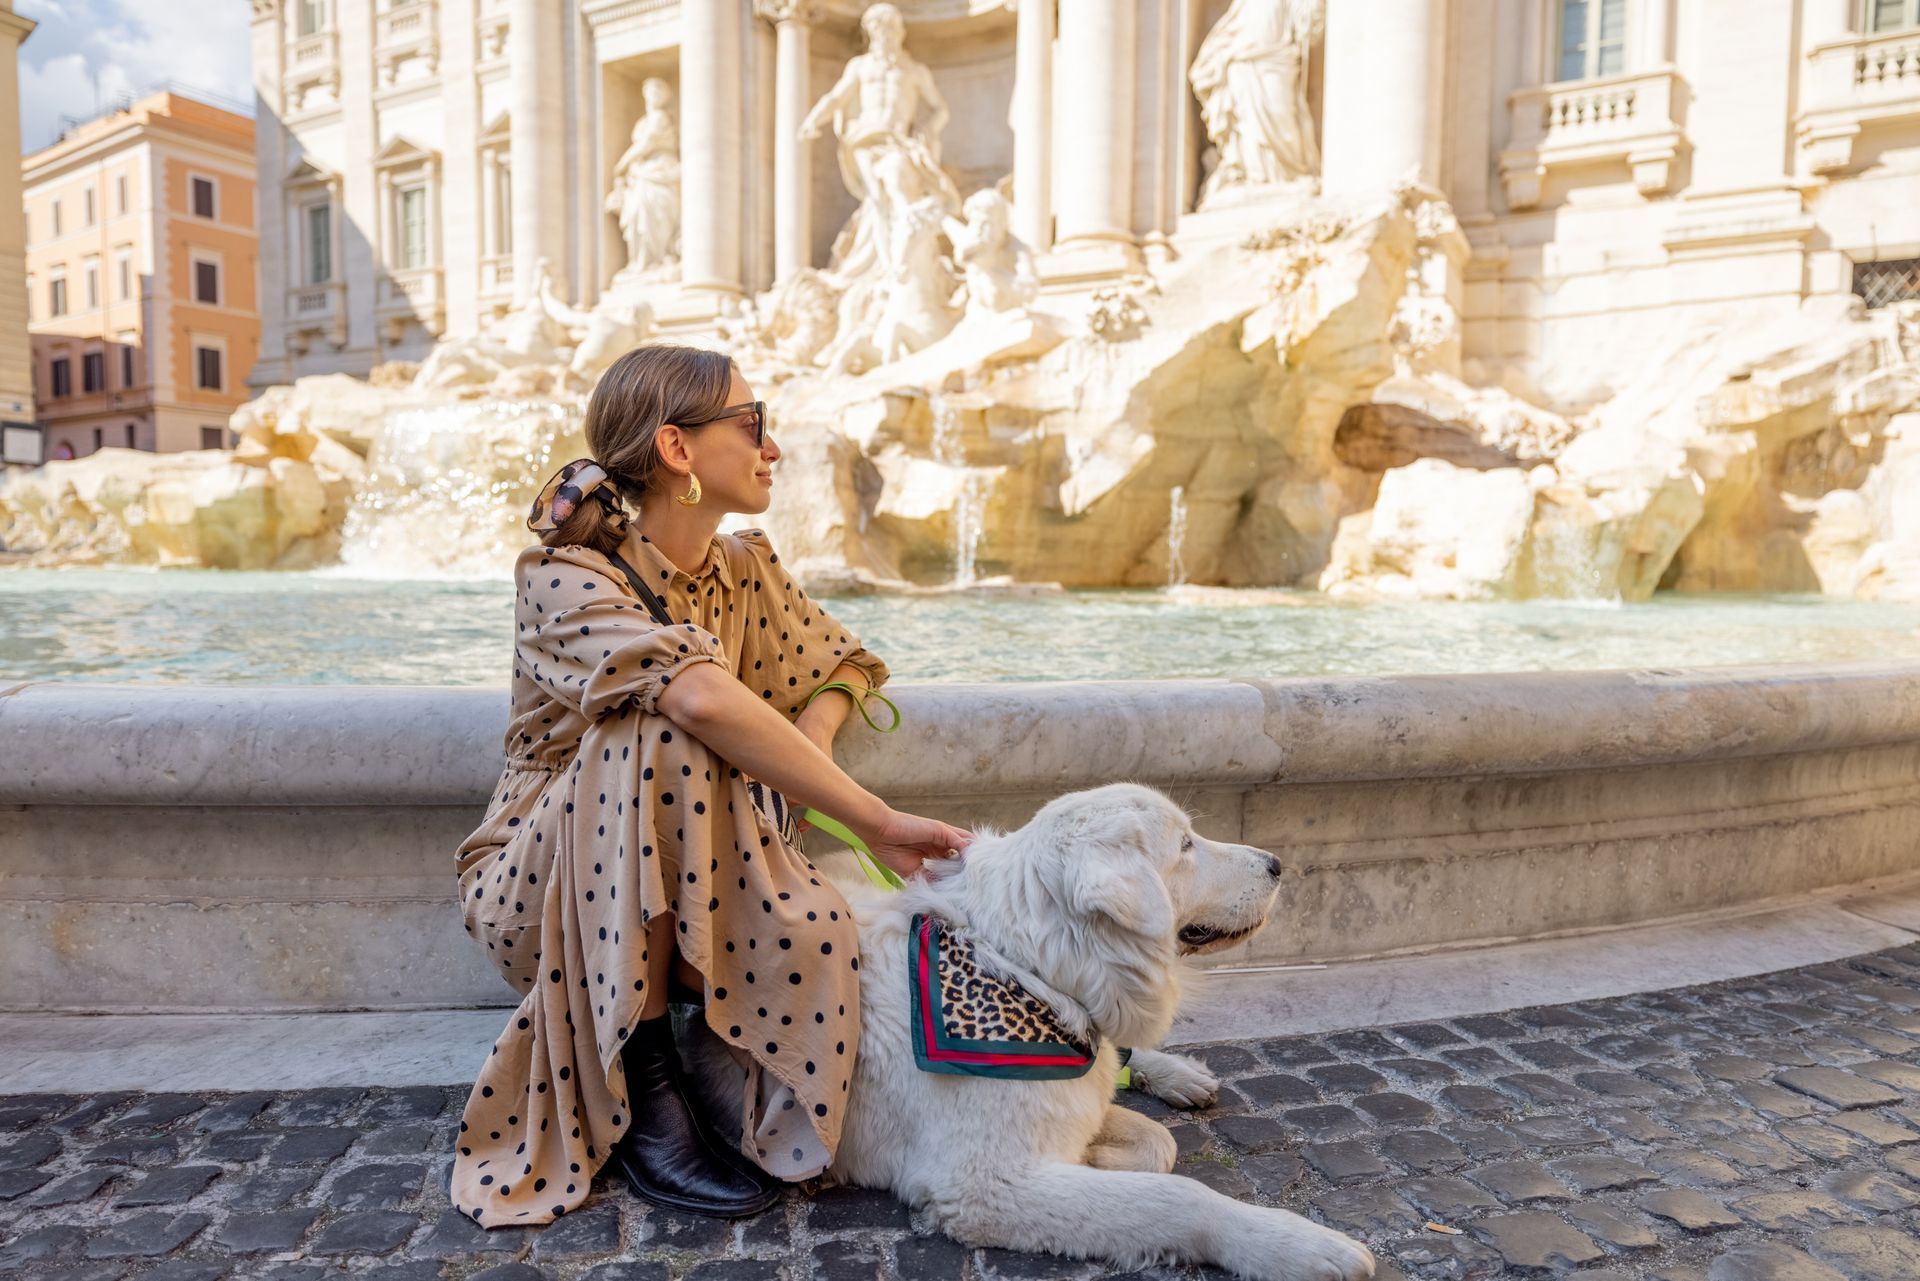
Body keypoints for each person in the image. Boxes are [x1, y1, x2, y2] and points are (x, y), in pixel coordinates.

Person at [450, 343, 972, 1228]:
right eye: (753, 423)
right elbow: (691, 692)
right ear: (677, 449)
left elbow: (845, 661)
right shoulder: (563, 578)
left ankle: (694, 1057)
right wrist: (875, 819)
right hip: (545, 888)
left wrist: (811, 734)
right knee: (658, 721)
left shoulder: (743, 569)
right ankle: (647, 1095)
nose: (773, 448)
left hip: (695, 875)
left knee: (679, 725)